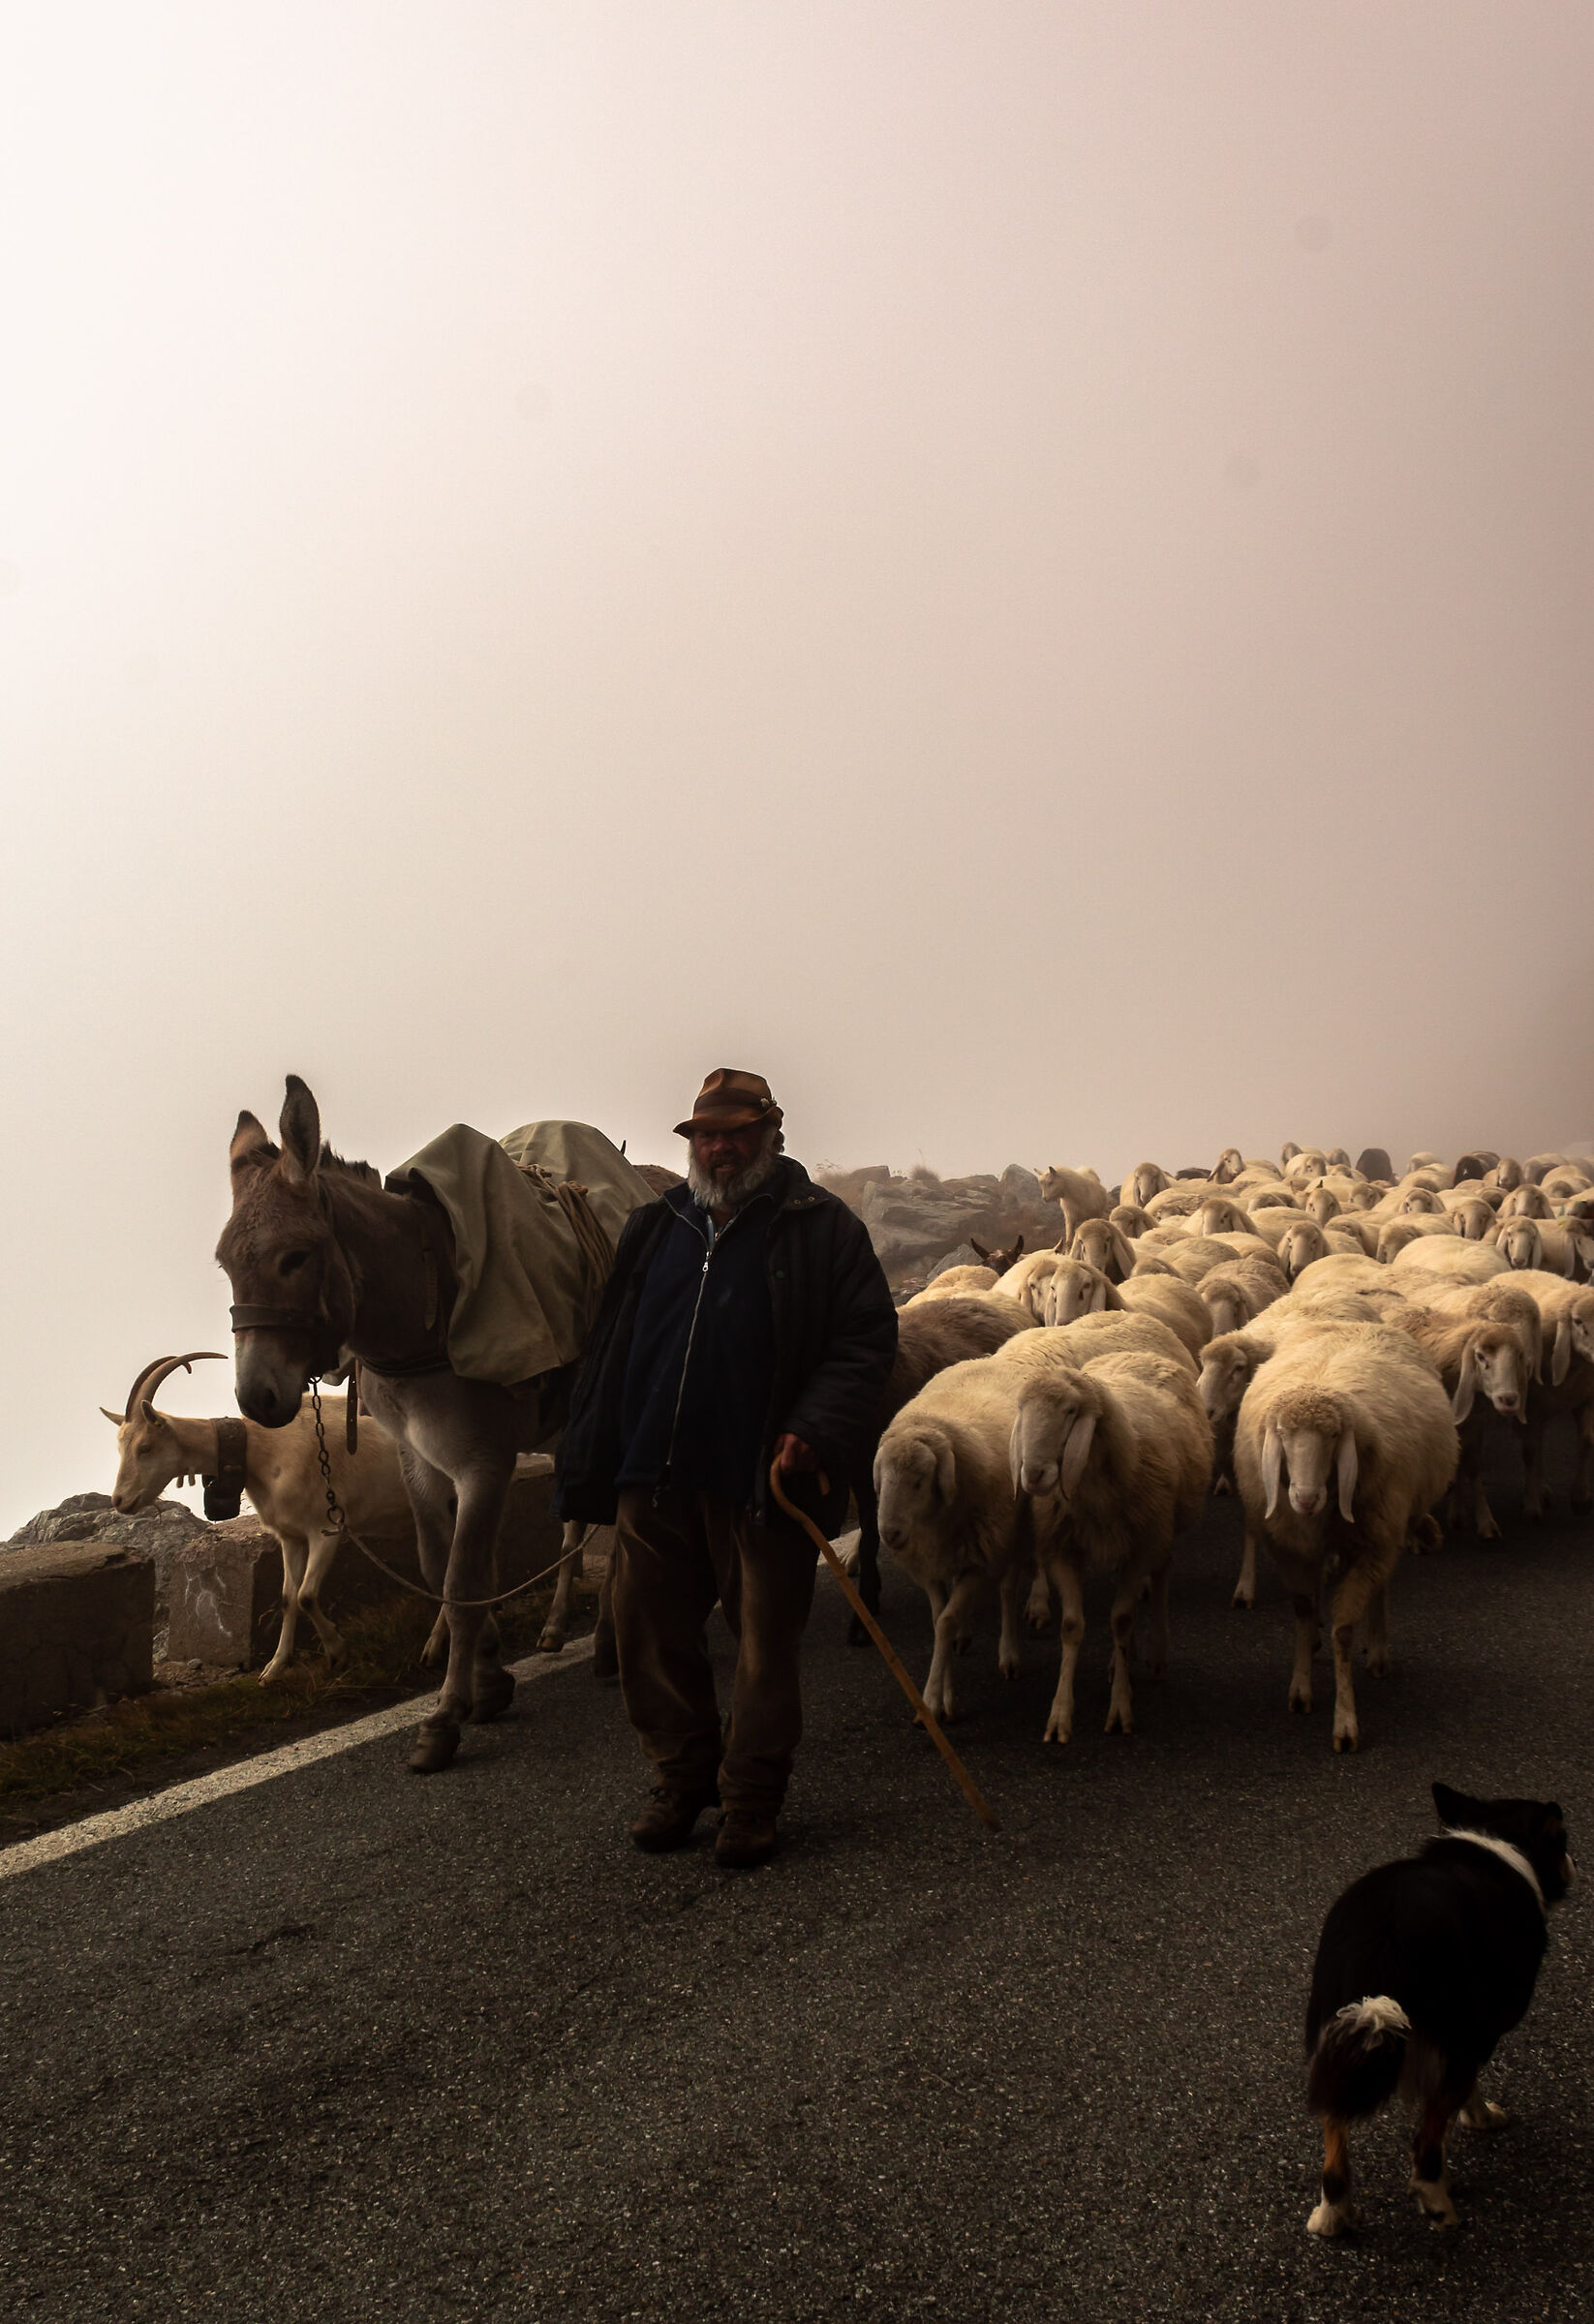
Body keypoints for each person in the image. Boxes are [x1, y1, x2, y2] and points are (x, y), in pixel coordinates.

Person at [554, 1069, 898, 1869]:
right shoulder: (656, 1225)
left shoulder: (823, 1229)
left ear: (770, 1135)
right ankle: (680, 1780)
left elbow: (864, 1341)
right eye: (707, 1135)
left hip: (760, 1480)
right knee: (650, 1635)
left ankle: (749, 1797)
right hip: (655, 1473)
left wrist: (813, 1426)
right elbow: (614, 1342)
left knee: (762, 1645)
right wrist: (599, 1444)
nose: (719, 1147)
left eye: (736, 1133)